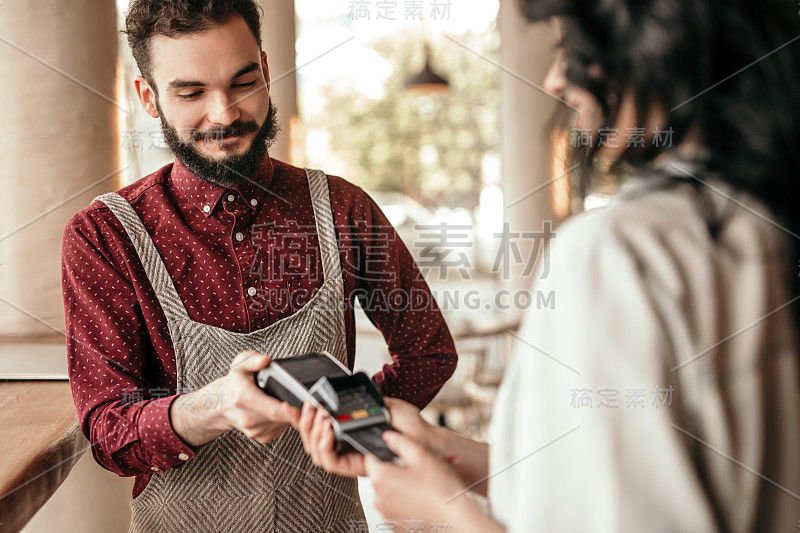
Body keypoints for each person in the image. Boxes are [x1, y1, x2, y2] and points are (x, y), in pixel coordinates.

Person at [298, 0, 800, 531]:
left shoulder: (617, 251)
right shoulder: (756, 221)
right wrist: (443, 451)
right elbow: (612, 482)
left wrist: (441, 511)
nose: (555, 79)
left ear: (649, 43)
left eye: (569, 48)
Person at [61, 1, 457, 531]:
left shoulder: (343, 209)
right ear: (149, 98)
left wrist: (343, 420)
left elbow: (428, 352)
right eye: (192, 92)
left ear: (267, 71)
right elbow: (109, 432)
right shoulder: (103, 237)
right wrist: (219, 404)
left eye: (242, 82)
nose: (224, 114)